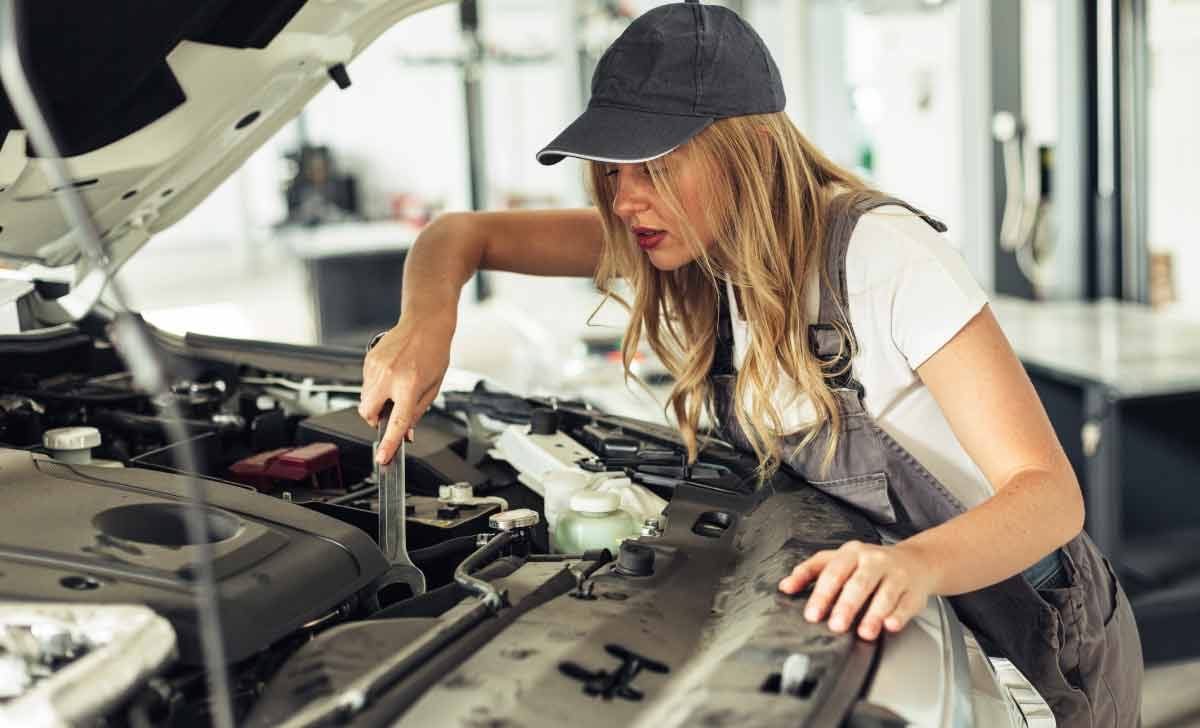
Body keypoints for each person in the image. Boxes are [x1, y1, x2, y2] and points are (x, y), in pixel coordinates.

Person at [359, 1, 1143, 724]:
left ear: (750, 150)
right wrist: (425, 322)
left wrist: (913, 566)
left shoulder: (881, 254)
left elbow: (1049, 497)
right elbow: (459, 235)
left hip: (1037, 626)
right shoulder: (693, 242)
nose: (624, 199)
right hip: (906, 611)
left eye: (652, 166)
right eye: (613, 169)